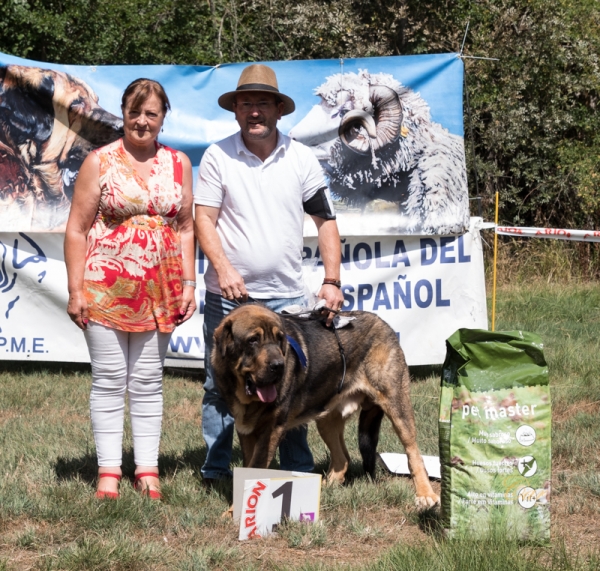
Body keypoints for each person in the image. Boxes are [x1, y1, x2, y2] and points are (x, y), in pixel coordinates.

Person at [194, 64, 344, 485]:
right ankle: (217, 471)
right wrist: (223, 269)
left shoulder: (300, 157)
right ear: (235, 111)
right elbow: (203, 219)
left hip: (286, 300)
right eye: (246, 104)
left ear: (279, 110)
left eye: (263, 103)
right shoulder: (217, 156)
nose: (254, 111)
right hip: (229, 302)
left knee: (289, 388)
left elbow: (325, 221)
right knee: (217, 387)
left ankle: (296, 475)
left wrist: (331, 280)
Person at [64, 78, 196, 500]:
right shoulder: (98, 162)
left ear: (162, 118)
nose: (142, 121)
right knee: (108, 378)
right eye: (134, 112)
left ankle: (148, 471)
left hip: (162, 286)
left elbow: (187, 227)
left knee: (147, 380)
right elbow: (76, 229)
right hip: (104, 286)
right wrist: (75, 289)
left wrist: (189, 283)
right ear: (122, 112)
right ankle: (107, 473)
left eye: (151, 113)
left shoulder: (180, 164)